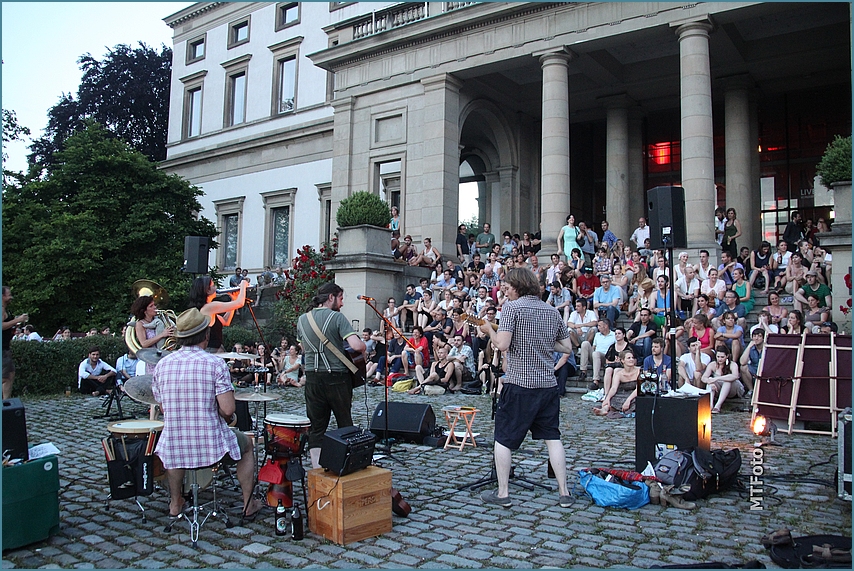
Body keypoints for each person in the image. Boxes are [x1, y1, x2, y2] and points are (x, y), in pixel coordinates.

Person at [152, 308, 263, 522]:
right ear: (205, 335)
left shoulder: (162, 364)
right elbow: (229, 410)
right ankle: (249, 505)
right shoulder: (215, 364)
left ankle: (175, 503)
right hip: (211, 444)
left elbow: (163, 408)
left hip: (175, 441)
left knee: (174, 448)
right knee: (248, 445)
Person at [476, 269, 574, 507]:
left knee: (504, 438)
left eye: (507, 287)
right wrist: (540, 340)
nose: (504, 291)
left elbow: (502, 344)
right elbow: (566, 347)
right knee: (552, 437)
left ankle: (503, 493)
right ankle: (564, 492)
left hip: (520, 383)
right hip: (547, 385)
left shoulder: (512, 308)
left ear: (518, 286)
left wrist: (489, 329)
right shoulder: (551, 310)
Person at [296, 283, 366, 469]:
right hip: (336, 377)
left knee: (316, 428)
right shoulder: (337, 318)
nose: (342, 303)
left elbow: (303, 348)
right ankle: (347, 466)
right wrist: (363, 346)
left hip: (312, 377)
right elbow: (357, 346)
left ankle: (317, 471)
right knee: (344, 422)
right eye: (341, 298)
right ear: (331, 297)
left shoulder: (302, 319)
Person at [188, 276, 249, 352]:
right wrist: (243, 285)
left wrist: (234, 299)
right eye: (213, 285)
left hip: (213, 349)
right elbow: (240, 303)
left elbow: (225, 321)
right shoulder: (209, 307)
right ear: (207, 290)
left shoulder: (208, 308)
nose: (216, 287)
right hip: (210, 350)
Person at [593, 350, 641, 419]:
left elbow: (638, 388)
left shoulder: (639, 371)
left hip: (634, 394)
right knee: (613, 398)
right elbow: (614, 388)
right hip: (623, 393)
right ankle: (604, 409)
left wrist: (628, 400)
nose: (631, 360)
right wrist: (607, 398)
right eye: (629, 358)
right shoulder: (619, 373)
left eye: (632, 358)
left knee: (636, 401)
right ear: (623, 361)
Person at [2, 287, 27, 399]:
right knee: (5, 377)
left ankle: (6, 404)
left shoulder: (5, 310)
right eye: (9, 295)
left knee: (10, 374)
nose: (11, 297)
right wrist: (18, 320)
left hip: (5, 347)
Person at [702, 346, 742, 414]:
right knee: (710, 380)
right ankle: (710, 405)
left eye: (722, 357)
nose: (720, 359)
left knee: (727, 381)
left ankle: (718, 406)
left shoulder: (732, 364)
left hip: (733, 388)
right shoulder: (712, 364)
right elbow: (704, 377)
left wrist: (717, 378)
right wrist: (709, 381)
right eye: (718, 357)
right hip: (719, 388)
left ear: (727, 356)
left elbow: (735, 376)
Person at [579, 319, 616, 389]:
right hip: (595, 357)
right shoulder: (597, 335)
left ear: (605, 326)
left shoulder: (614, 335)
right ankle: (583, 371)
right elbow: (594, 346)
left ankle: (596, 381)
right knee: (585, 343)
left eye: (599, 326)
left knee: (596, 353)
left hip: (606, 358)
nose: (598, 327)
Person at [739, 329, 765, 397]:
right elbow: (742, 362)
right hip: (754, 370)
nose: (756, 338)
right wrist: (749, 347)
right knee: (743, 367)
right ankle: (751, 390)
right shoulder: (751, 347)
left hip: (765, 370)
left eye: (759, 336)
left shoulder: (767, 348)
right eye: (754, 336)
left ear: (763, 338)